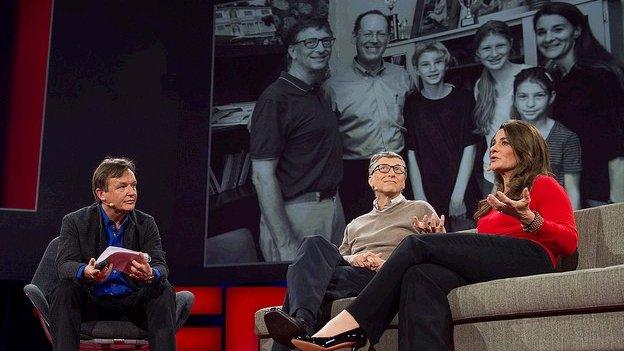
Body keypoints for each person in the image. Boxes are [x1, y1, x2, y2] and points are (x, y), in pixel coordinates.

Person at [292, 120, 578, 351]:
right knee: (420, 274)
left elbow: (569, 241)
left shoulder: (543, 184)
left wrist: (530, 219)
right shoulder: (492, 201)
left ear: (525, 149)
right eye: (492, 142)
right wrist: (444, 245)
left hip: (531, 257)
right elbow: (482, 251)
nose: (493, 148)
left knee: (415, 244)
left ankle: (351, 327)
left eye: (504, 142)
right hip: (499, 263)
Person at [263, 151, 440, 351]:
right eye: (383, 168)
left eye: (398, 169)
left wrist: (437, 233)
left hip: (384, 278)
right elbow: (334, 260)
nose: (391, 172)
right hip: (351, 275)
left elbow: (436, 251)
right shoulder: (356, 224)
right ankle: (301, 321)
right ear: (371, 180)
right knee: (314, 245)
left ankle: (300, 322)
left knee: (303, 286)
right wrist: (354, 258)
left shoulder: (419, 208)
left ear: (404, 182)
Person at [50, 157, 176, 351]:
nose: (131, 192)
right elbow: (64, 264)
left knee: (162, 287)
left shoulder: (146, 223)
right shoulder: (75, 221)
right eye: (122, 187)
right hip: (91, 303)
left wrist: (151, 274)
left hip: (133, 303)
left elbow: (161, 264)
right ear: (102, 194)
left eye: (133, 185)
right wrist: (85, 271)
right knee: (64, 289)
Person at [250, 16, 345, 262]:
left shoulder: (318, 91)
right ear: (292, 50)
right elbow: (262, 176)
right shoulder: (275, 99)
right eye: (310, 42)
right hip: (298, 214)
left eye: (325, 41)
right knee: (300, 299)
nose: (321, 48)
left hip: (331, 208)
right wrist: (285, 243)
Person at [324, 9, 414, 224]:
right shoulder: (334, 87)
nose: (374, 40)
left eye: (381, 34)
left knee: (404, 233)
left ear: (388, 38)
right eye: (367, 33)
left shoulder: (402, 77)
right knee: (366, 241)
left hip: (399, 168)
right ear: (355, 36)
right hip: (357, 175)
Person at [533, 1, 624, 207]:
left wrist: (616, 203)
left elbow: (617, 145)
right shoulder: (555, 79)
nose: (548, 38)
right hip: (572, 192)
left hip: (602, 194)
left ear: (576, 30)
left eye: (558, 29)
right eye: (541, 31)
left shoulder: (600, 76)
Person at [404, 41, 481, 231]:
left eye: (437, 62)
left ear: (446, 64)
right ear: (417, 69)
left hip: (462, 191)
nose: (432, 69)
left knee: (468, 247)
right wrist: (421, 199)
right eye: (425, 64)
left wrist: (458, 196)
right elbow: (411, 152)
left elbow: (469, 147)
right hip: (429, 192)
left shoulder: (463, 99)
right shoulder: (412, 104)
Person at [473, 20, 531, 196]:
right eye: (486, 48)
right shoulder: (480, 86)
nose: (494, 53)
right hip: (491, 174)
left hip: (525, 172)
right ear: (477, 53)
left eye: (500, 46)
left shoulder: (528, 74)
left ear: (511, 44)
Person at [512, 67, 582, 209]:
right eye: (523, 96)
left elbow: (572, 190)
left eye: (539, 95)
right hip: (516, 217)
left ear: (551, 97)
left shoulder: (566, 138)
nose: (530, 104)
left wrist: (571, 226)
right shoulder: (507, 135)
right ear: (514, 98)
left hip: (553, 214)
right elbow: (500, 185)